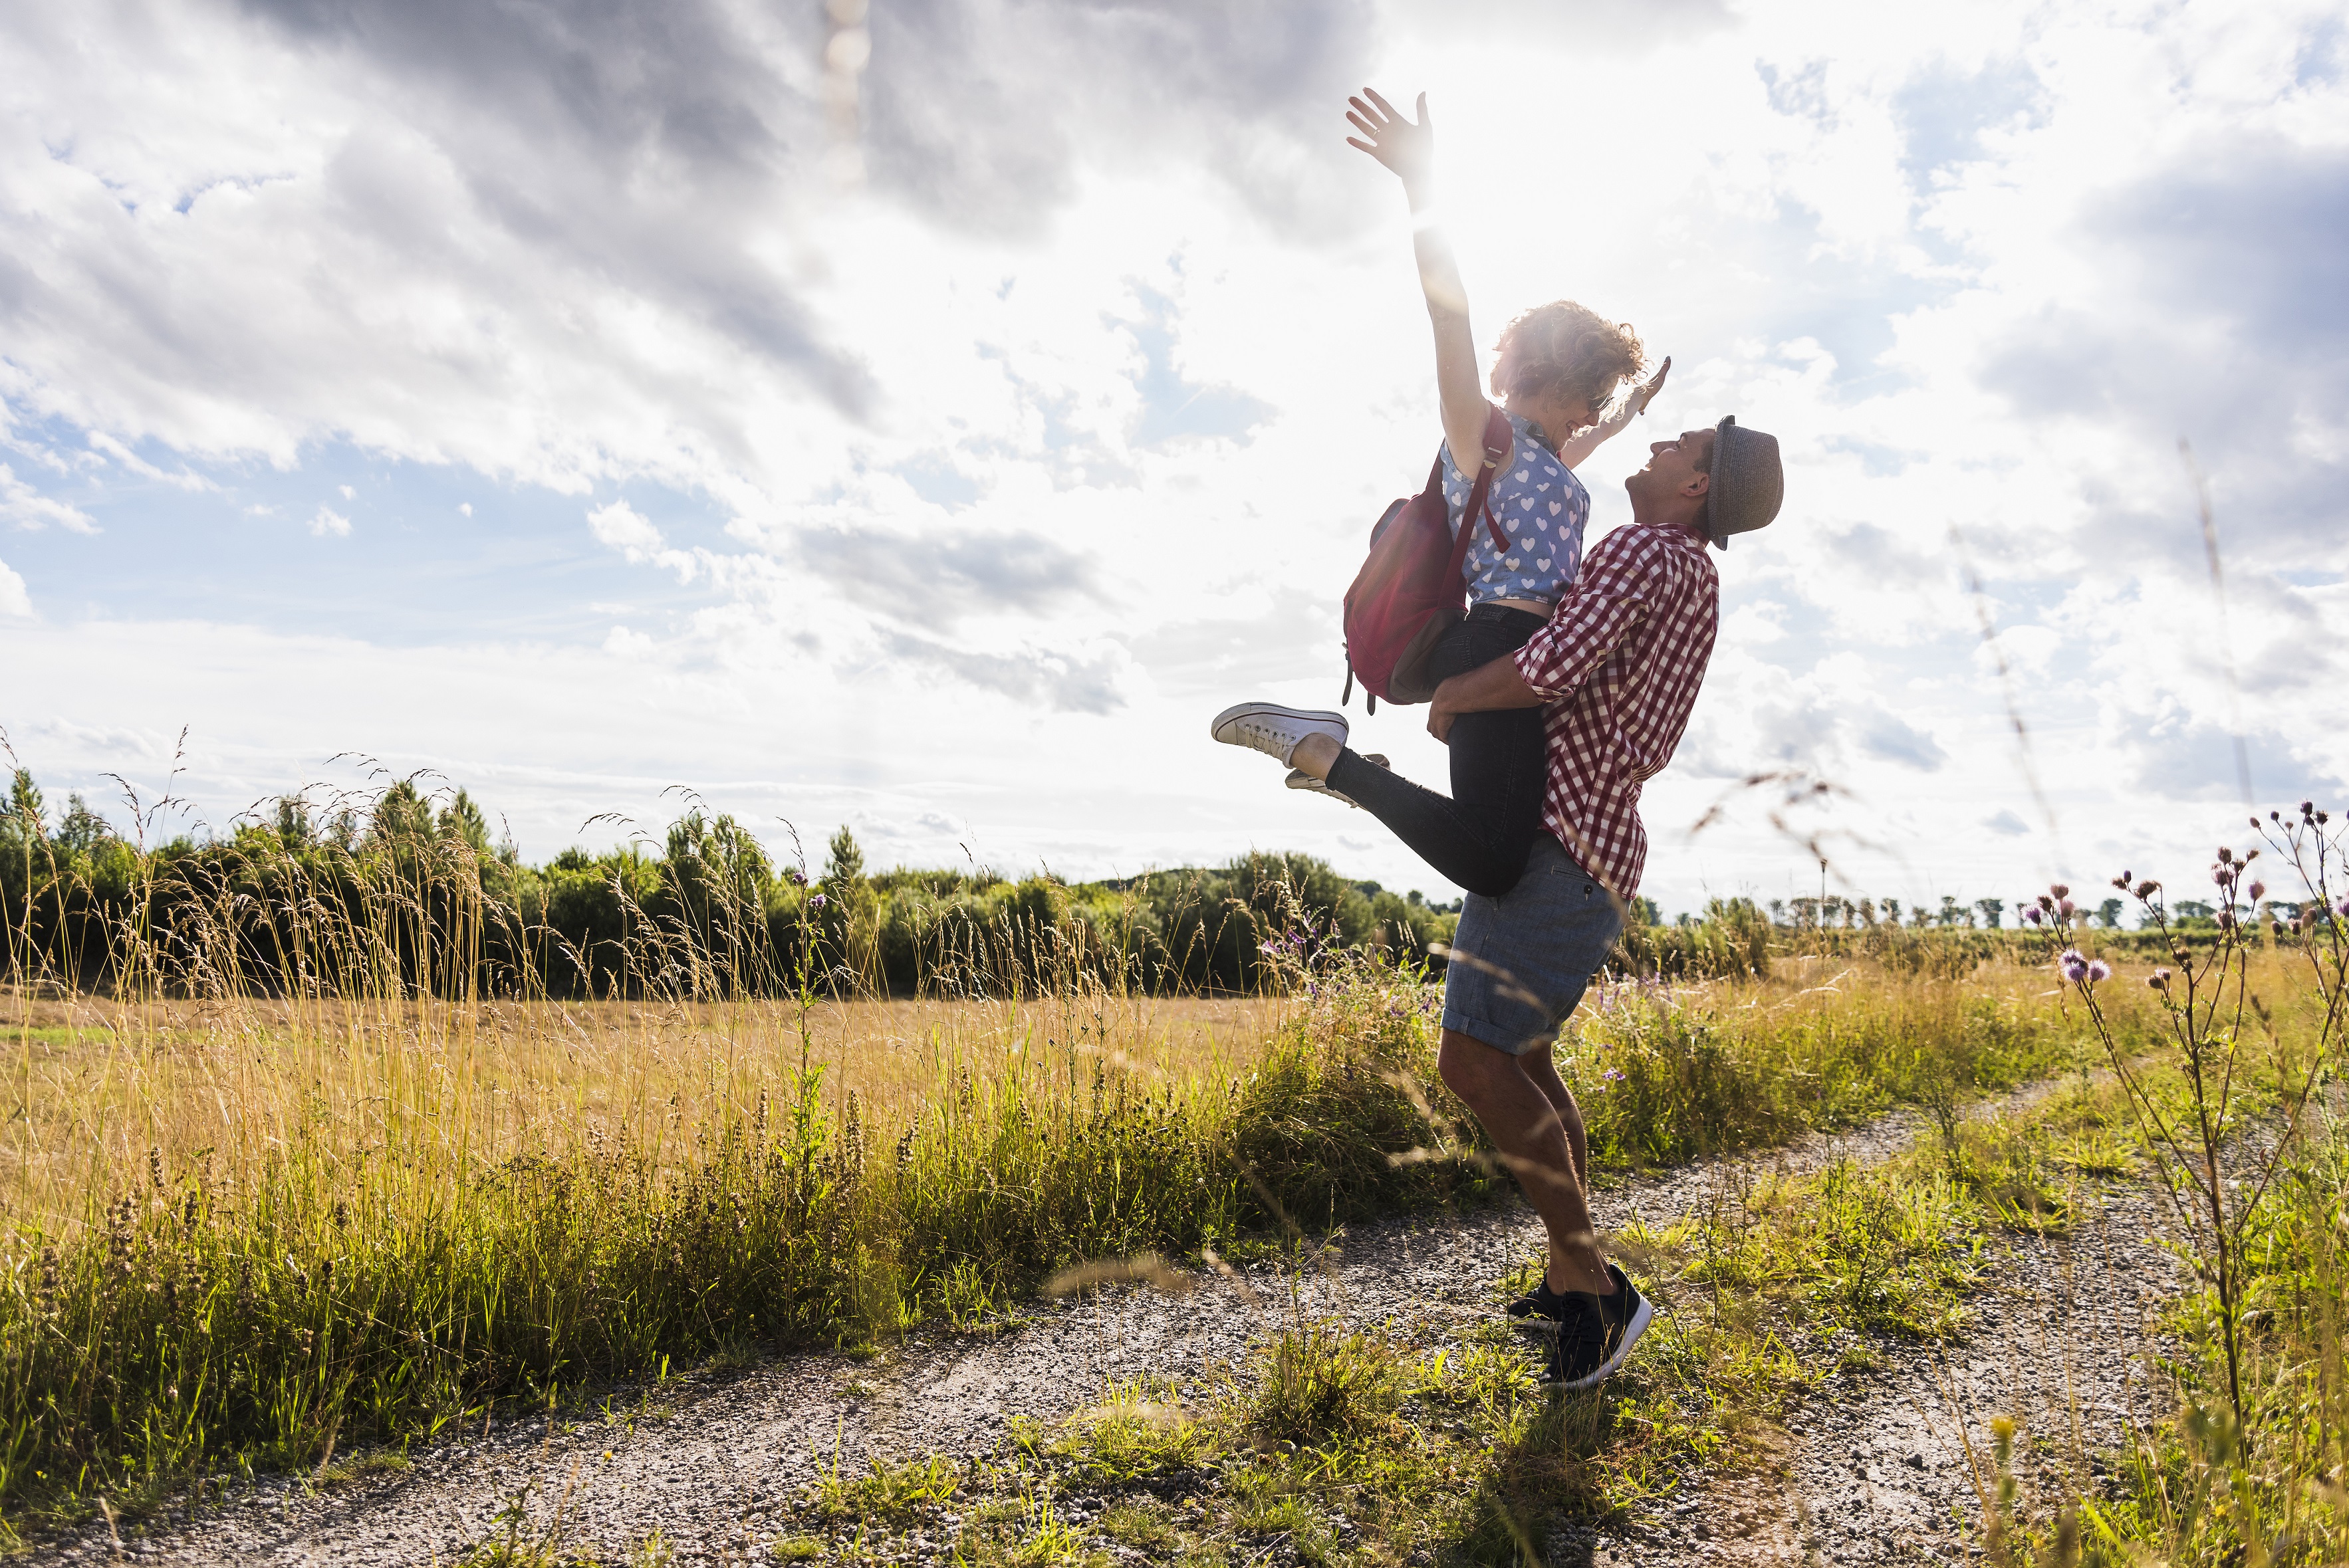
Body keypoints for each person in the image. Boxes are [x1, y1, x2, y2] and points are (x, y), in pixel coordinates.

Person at [1212, 94, 1788, 1391]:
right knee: (1511, 1033)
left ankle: (1325, 758)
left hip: (1492, 655)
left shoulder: (1495, 454)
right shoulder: (1560, 476)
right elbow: (1577, 422)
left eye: (1506, 354)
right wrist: (1631, 390)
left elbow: (1445, 319)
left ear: (1517, 374)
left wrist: (1423, 193)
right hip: (1510, 665)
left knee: (1480, 906)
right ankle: (1572, 1286)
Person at [1212, 88, 1661, 901]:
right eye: (1587, 400)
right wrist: (1422, 190)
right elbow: (1446, 317)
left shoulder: (1552, 458)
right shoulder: (1477, 434)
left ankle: (1334, 764)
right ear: (1552, 383)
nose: (1591, 420)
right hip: (1491, 644)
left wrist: (1632, 410)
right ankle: (1326, 757)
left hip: (1522, 656)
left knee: (1499, 852)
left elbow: (1597, 437)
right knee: (1492, 862)